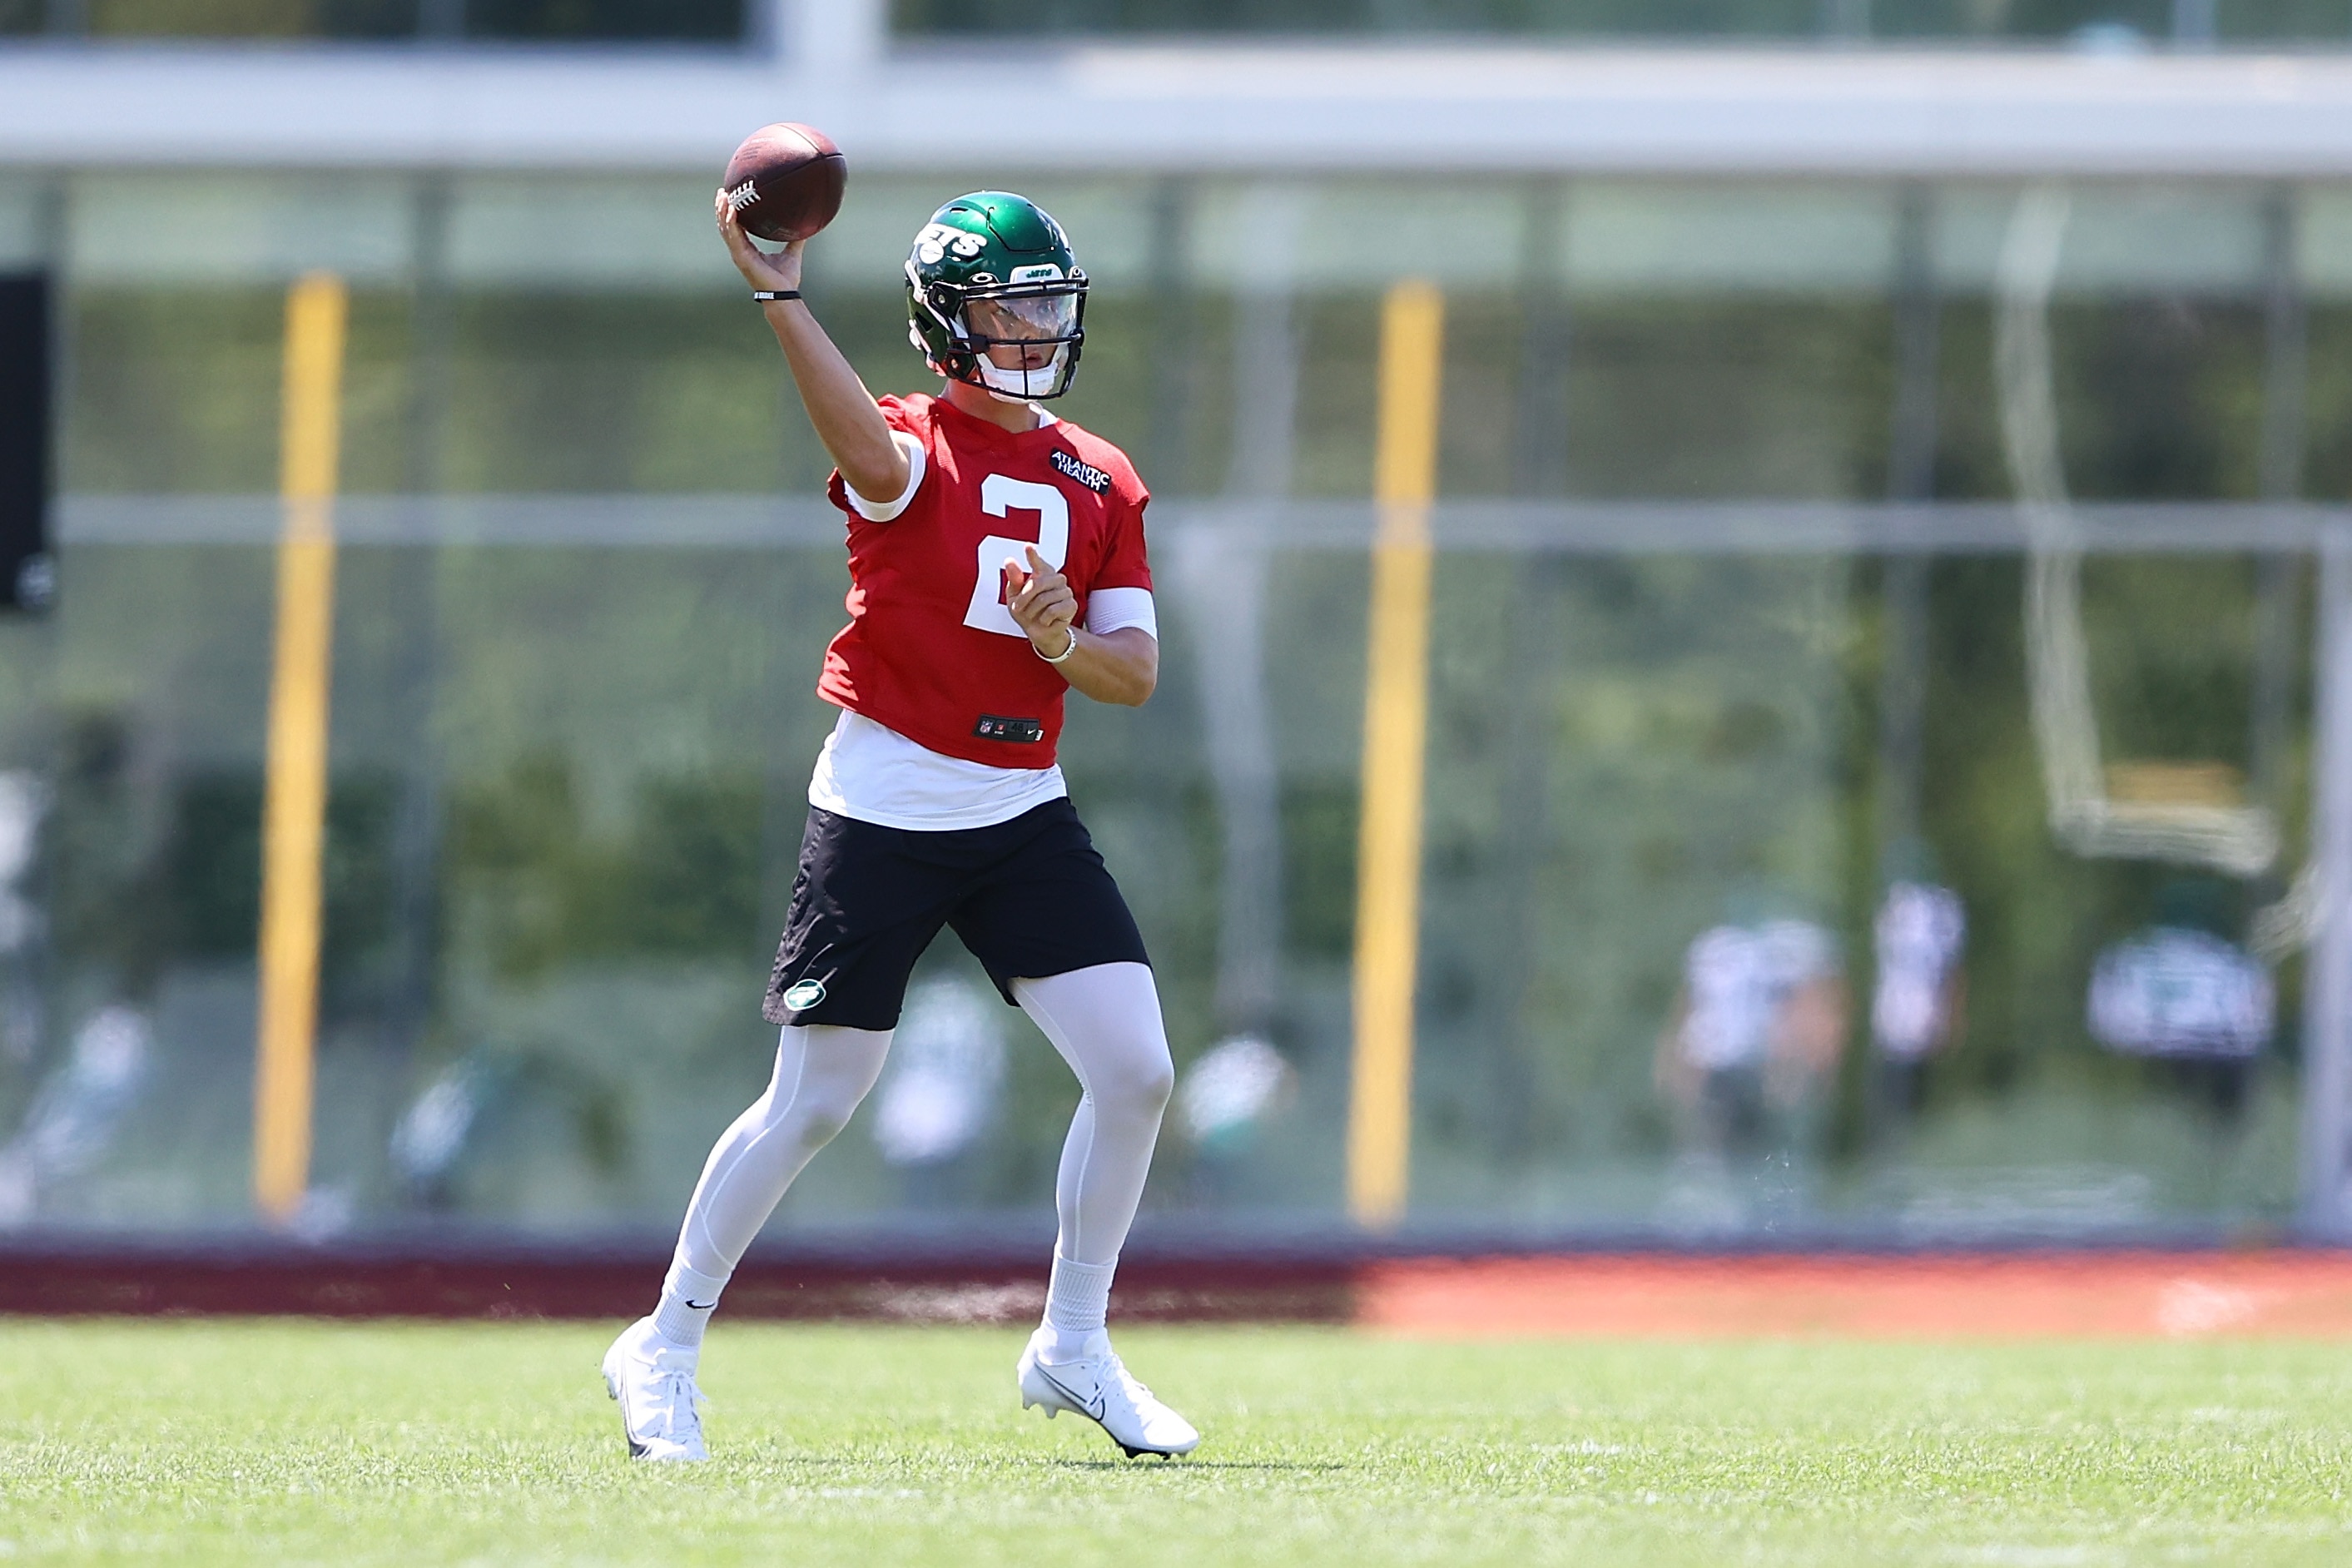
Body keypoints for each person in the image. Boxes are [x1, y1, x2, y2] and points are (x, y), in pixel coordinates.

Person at [599, 190, 1197, 1462]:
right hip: (880, 807)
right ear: (945, 324)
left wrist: (1062, 639)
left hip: (1019, 808)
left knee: (1138, 1070)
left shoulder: (1101, 476)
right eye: (1008, 304)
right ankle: (663, 1339)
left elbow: (1132, 673)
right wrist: (780, 295)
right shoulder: (909, 443)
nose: (1035, 326)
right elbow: (867, 451)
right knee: (815, 1103)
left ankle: (1073, 1344)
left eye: (1048, 300)